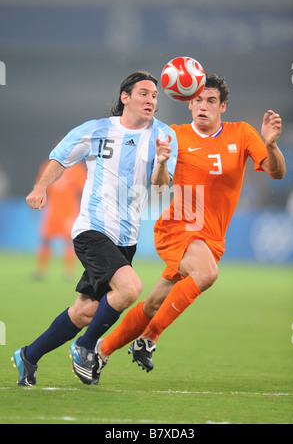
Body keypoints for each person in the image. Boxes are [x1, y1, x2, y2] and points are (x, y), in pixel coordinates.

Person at [93, 73, 286, 376]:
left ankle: (99, 351)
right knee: (207, 273)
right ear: (188, 104)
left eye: (211, 101)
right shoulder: (175, 135)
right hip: (178, 226)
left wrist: (271, 145)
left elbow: (276, 173)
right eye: (197, 100)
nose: (203, 106)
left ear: (223, 107)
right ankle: (148, 339)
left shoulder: (243, 134)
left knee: (155, 305)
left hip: (211, 238)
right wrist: (160, 162)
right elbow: (159, 185)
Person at [12, 70, 178, 386]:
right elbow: (60, 158)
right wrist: (40, 187)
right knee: (129, 288)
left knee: (84, 312)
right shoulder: (97, 130)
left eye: (154, 95)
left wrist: (161, 163)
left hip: (126, 238)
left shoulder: (164, 136)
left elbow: (160, 186)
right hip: (92, 229)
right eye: (143, 93)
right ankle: (86, 347)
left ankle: (28, 356)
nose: (150, 100)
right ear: (125, 97)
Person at [33, 159, 86, 280]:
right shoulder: (48, 166)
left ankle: (69, 271)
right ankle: (41, 270)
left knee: (69, 240)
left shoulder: (76, 168)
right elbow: (40, 187)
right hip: (52, 211)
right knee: (45, 239)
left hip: (69, 211)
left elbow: (83, 188)